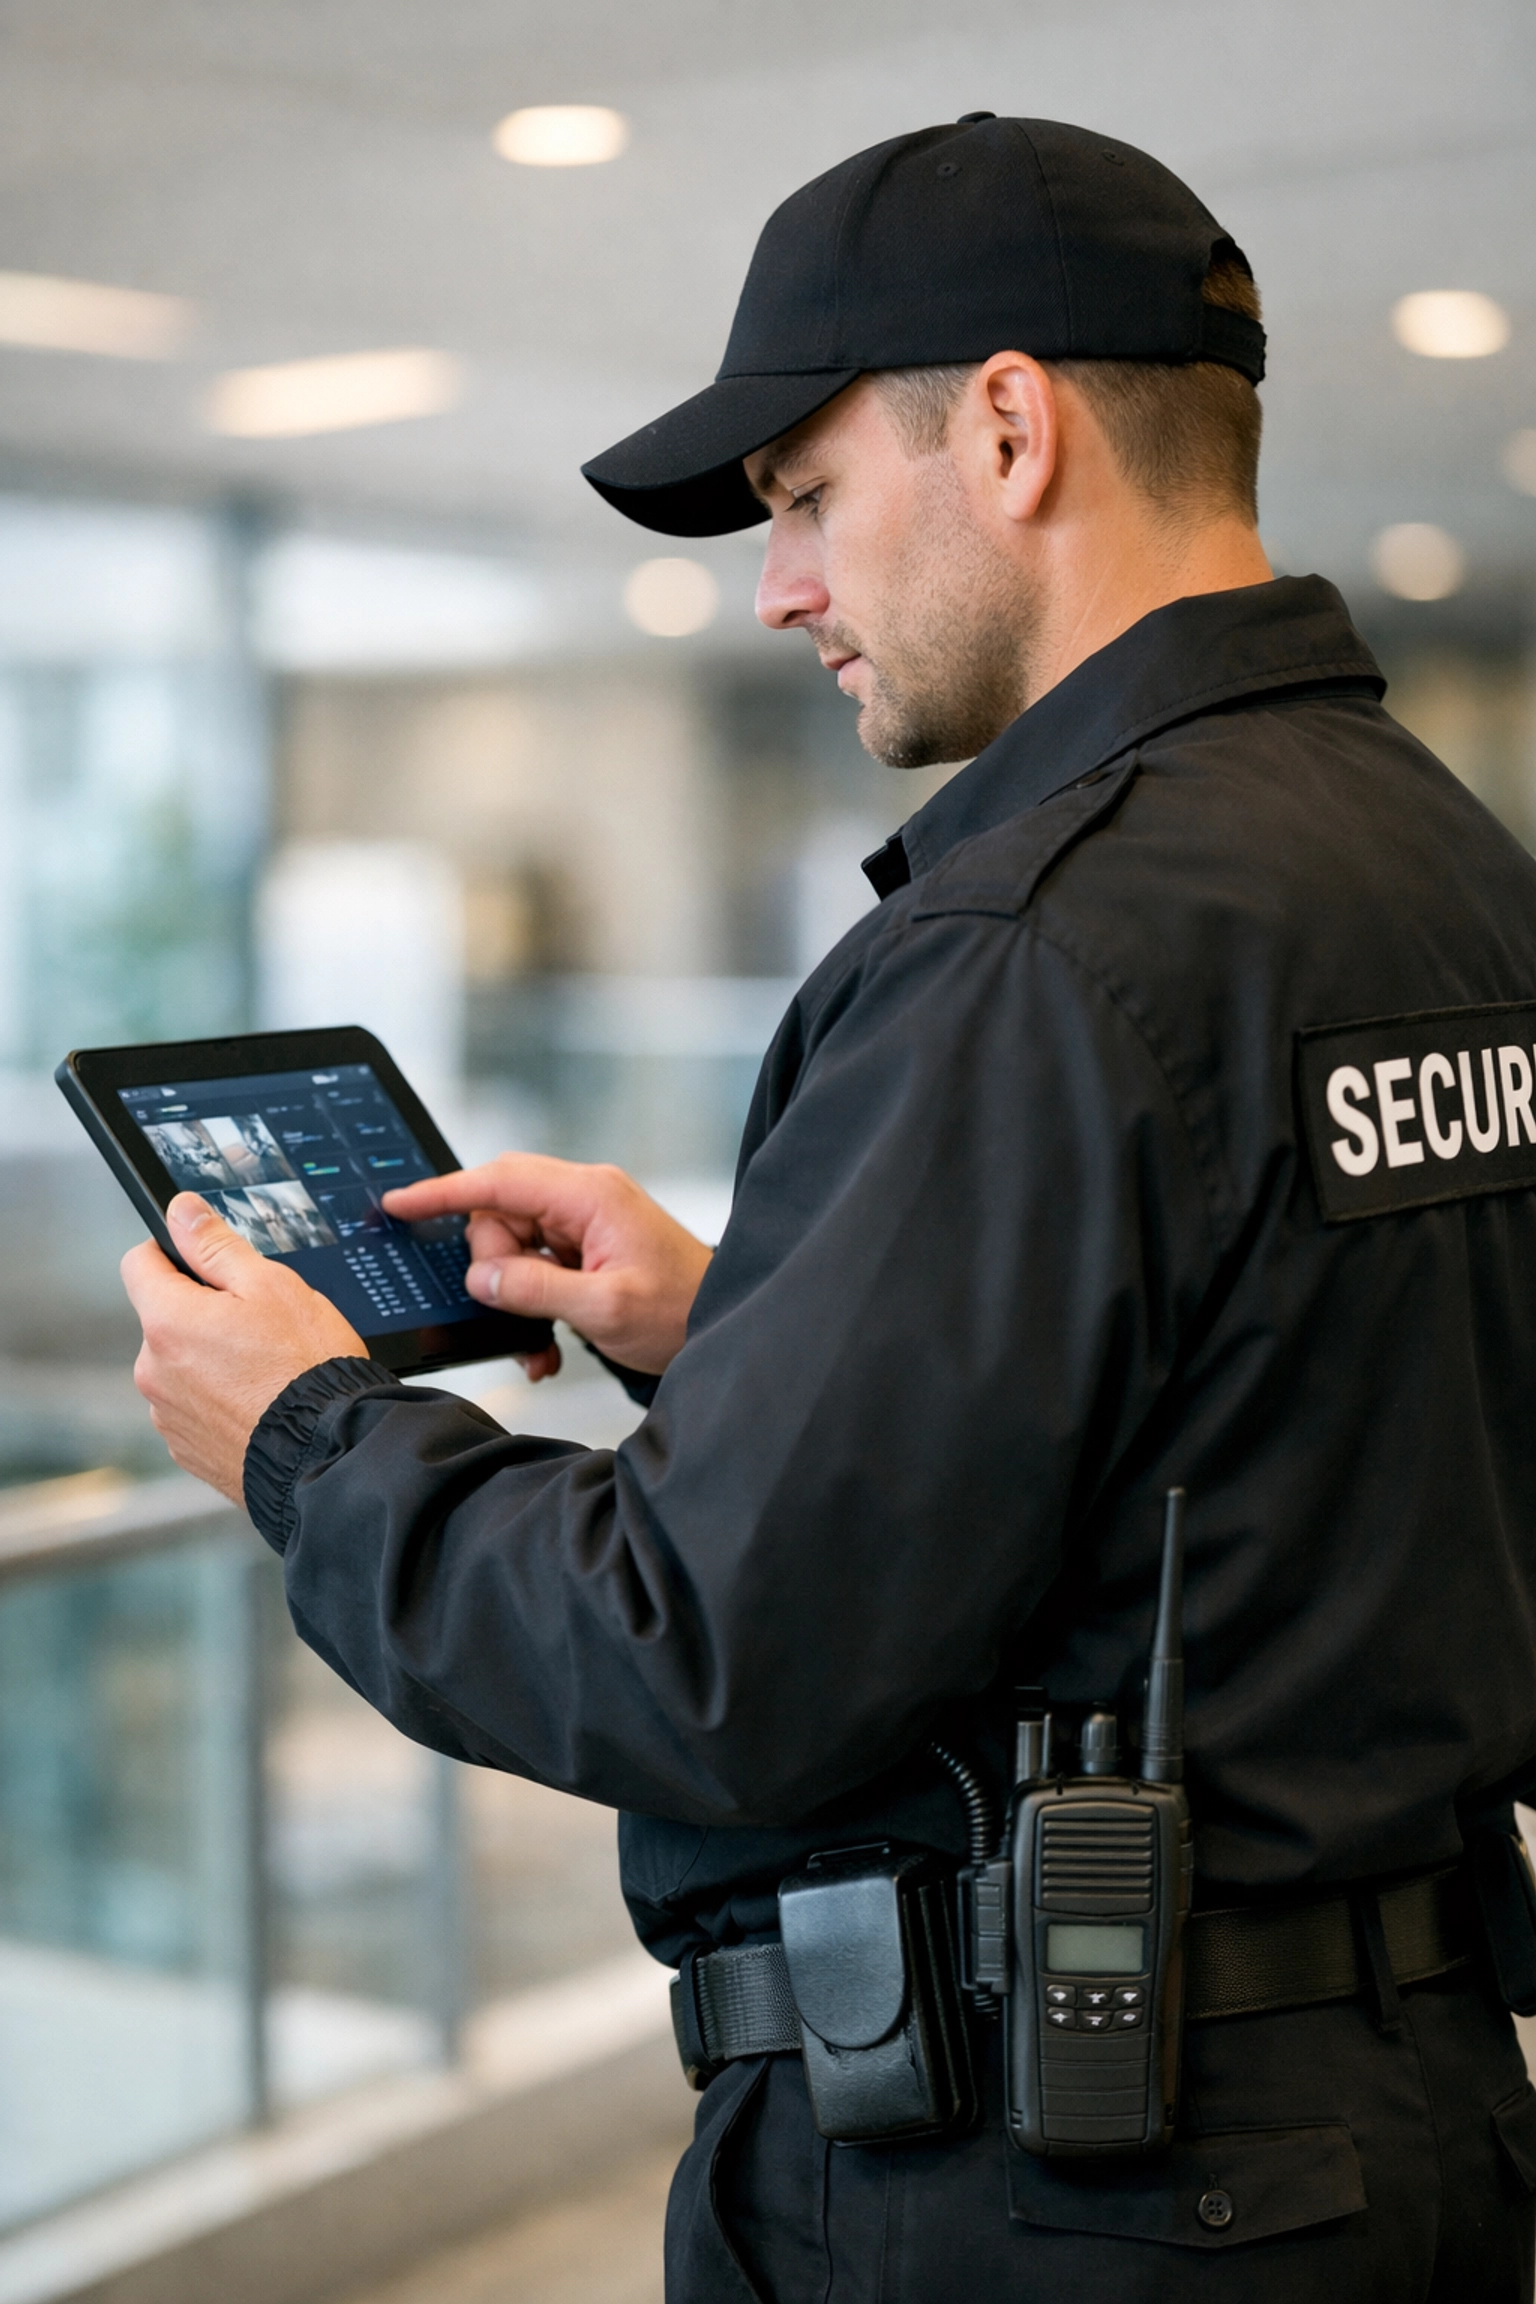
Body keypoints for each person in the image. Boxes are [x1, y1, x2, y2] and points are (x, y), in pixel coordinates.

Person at [122, 116, 1536, 2299]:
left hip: (1078, 2194)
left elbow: (700, 1660)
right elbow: (1267, 1412)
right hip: (1407, 2128)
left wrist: (307, 1438)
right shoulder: (1439, 867)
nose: (780, 587)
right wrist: (750, 1321)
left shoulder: (1034, 946)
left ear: (1009, 431)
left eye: (802, 499)